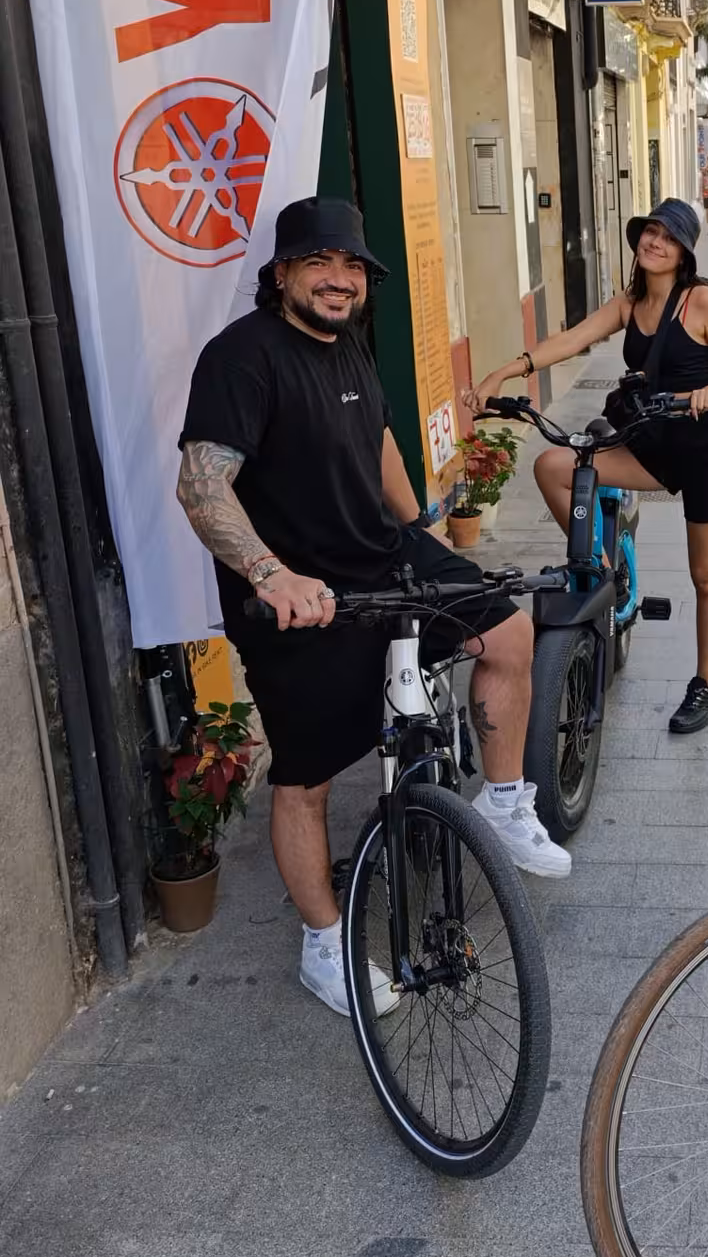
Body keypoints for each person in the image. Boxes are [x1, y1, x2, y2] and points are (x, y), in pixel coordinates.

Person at [177, 198, 571, 1020]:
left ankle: (502, 803)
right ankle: (325, 946)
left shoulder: (349, 344)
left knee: (506, 626)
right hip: (301, 598)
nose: (340, 279)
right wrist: (270, 576)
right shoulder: (242, 357)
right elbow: (201, 482)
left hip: (382, 556)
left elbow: (381, 438)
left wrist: (420, 522)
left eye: (353, 266)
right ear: (282, 273)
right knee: (306, 780)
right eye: (321, 262)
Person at [471, 199, 708, 736]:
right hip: (651, 444)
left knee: (706, 576)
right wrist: (504, 373)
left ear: (684, 252)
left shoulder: (702, 302)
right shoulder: (628, 303)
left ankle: (706, 684)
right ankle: (607, 571)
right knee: (555, 466)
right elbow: (571, 340)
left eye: (668, 238)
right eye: (650, 232)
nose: (655, 243)